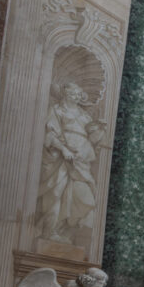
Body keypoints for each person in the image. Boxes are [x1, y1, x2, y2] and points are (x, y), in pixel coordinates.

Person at [38, 82, 104, 243]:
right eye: (74, 92)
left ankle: (65, 231)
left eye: (79, 93)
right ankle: (49, 231)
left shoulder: (85, 116)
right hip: (61, 158)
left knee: (87, 200)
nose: (77, 95)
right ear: (65, 94)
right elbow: (50, 133)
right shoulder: (57, 110)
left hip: (82, 160)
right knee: (56, 193)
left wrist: (100, 130)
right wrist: (64, 149)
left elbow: (94, 140)